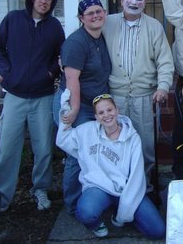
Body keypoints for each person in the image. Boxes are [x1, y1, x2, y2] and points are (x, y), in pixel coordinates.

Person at [0, 0, 65, 212]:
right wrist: (7, 73)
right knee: (7, 148)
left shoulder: (54, 27)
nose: (44, 1)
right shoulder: (12, 20)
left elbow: (60, 55)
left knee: (43, 148)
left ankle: (40, 189)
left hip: (42, 97)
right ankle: (0, 197)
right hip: (15, 96)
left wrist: (50, 72)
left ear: (52, 3)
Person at [56, 93, 166, 239]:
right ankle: (96, 224)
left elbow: (136, 177)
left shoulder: (132, 138)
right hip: (98, 188)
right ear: (96, 117)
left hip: (126, 189)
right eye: (101, 112)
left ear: (117, 110)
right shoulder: (87, 131)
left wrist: (123, 215)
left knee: (158, 231)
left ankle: (120, 211)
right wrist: (65, 110)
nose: (106, 115)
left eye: (109, 110)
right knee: (85, 212)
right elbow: (63, 140)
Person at [103, 0, 174, 192]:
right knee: (116, 143)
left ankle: (145, 185)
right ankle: (119, 186)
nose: (134, 2)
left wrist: (163, 86)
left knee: (145, 145)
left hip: (145, 96)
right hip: (115, 97)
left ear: (144, 2)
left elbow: (165, 60)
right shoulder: (107, 23)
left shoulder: (154, 27)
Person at [52, 0, 112, 214]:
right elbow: (72, 80)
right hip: (80, 105)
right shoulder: (76, 43)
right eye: (90, 13)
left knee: (95, 153)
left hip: (96, 104)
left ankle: (93, 198)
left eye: (99, 11)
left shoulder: (101, 37)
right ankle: (73, 204)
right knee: (77, 154)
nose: (96, 16)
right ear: (81, 18)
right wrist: (75, 109)